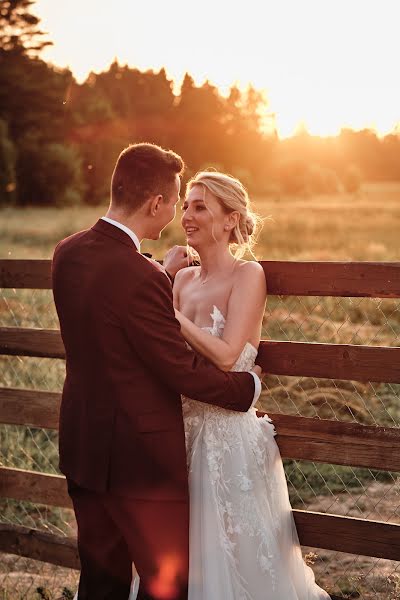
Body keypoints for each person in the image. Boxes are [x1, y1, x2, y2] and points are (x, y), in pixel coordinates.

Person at [51, 144, 262, 600]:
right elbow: (179, 369)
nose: (179, 214)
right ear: (156, 204)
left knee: (102, 580)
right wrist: (243, 390)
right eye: (176, 202)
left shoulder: (67, 253)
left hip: (83, 445)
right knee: (165, 582)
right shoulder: (139, 274)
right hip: (140, 459)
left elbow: (113, 326)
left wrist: (160, 275)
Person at [170, 171, 331, 599]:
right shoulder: (182, 280)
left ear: (230, 220)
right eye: (186, 204)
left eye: (200, 206)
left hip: (228, 437)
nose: (187, 214)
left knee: (239, 552)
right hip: (179, 431)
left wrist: (169, 315)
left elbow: (225, 356)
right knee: (178, 550)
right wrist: (162, 281)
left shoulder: (248, 275)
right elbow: (166, 355)